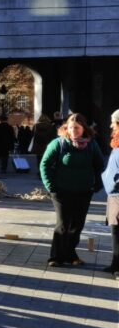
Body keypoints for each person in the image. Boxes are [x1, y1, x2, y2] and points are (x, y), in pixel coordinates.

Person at [39, 113, 105, 268]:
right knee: (63, 224)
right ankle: (55, 256)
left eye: (77, 127)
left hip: (83, 191)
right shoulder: (58, 143)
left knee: (77, 224)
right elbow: (45, 165)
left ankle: (70, 254)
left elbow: (100, 165)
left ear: (84, 129)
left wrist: (97, 183)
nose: (73, 130)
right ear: (66, 128)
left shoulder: (92, 145)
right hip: (61, 191)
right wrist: (50, 185)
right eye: (70, 127)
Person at [102, 109, 119, 278]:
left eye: (114, 122)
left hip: (118, 193)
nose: (111, 125)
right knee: (115, 230)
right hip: (114, 194)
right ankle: (115, 263)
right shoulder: (117, 142)